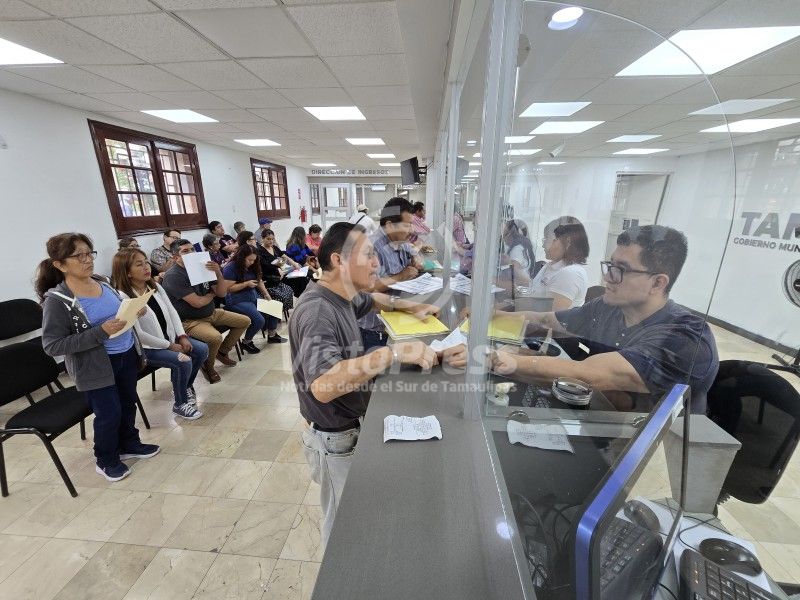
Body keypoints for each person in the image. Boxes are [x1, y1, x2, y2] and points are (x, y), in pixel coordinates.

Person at [444, 225, 719, 413]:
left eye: (621, 270)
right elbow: (548, 319)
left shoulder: (686, 337)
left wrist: (489, 357)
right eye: (609, 266)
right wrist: (496, 316)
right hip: (598, 415)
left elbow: (588, 375)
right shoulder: (609, 307)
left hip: (642, 451)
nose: (607, 277)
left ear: (658, 283)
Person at [290, 221, 439, 547]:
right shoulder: (317, 311)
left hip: (352, 423)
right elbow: (323, 386)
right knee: (343, 525)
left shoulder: (343, 295)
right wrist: (392, 353)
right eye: (368, 255)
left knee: (359, 510)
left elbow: (373, 300)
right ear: (338, 261)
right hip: (335, 436)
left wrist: (412, 306)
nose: (376, 262)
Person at [37, 233, 160, 482]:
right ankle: (105, 459)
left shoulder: (102, 282)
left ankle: (128, 443)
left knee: (127, 403)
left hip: (126, 353)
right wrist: (100, 332)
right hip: (95, 367)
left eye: (89, 253)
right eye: (78, 256)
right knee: (109, 413)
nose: (87, 260)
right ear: (60, 264)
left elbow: (119, 316)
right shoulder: (58, 301)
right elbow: (53, 345)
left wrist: (134, 312)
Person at [112, 248, 207, 420]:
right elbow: (139, 335)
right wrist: (170, 346)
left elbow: (172, 311)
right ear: (127, 272)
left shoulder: (153, 286)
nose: (146, 267)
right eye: (139, 264)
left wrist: (182, 336)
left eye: (146, 262)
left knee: (201, 350)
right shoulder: (123, 296)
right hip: (146, 349)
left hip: (169, 339)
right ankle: (180, 404)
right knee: (183, 361)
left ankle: (184, 386)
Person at [161, 239, 250, 383]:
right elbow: (198, 302)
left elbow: (221, 293)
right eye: (185, 251)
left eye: (192, 249)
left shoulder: (202, 266)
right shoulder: (174, 275)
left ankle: (222, 352)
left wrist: (218, 273)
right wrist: (211, 294)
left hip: (211, 312)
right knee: (215, 337)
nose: (191, 253)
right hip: (190, 321)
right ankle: (208, 366)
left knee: (244, 321)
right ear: (176, 257)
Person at [357, 197, 423, 350]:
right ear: (389, 225)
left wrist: (415, 258)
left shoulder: (399, 241)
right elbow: (366, 289)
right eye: (407, 225)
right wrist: (401, 276)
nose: (411, 230)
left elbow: (413, 253)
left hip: (394, 319)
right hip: (374, 329)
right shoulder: (371, 247)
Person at [222, 244, 286, 348]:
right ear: (241, 257)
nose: (252, 262)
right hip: (236, 300)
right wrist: (246, 284)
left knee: (274, 307)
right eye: (249, 260)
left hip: (252, 296)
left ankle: (272, 335)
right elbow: (228, 289)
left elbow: (259, 280)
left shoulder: (253, 265)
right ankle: (247, 342)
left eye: (254, 260)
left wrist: (266, 294)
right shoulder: (230, 268)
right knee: (259, 320)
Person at [527, 216, 590, 310]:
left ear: (568, 242)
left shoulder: (572, 273)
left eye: (547, 239)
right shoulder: (550, 266)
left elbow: (548, 316)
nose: (543, 245)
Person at [258, 228, 302, 306]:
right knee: (296, 280)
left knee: (299, 271)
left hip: (281, 271)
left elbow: (284, 257)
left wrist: (294, 263)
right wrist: (279, 268)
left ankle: (300, 298)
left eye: (272, 239)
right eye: (268, 239)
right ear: (262, 239)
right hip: (270, 276)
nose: (271, 241)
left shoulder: (274, 248)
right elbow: (266, 266)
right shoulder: (260, 251)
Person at [501, 219, 536, 287]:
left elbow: (518, 276)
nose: (503, 240)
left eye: (504, 236)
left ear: (510, 234)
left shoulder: (516, 250)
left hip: (519, 288)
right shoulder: (525, 245)